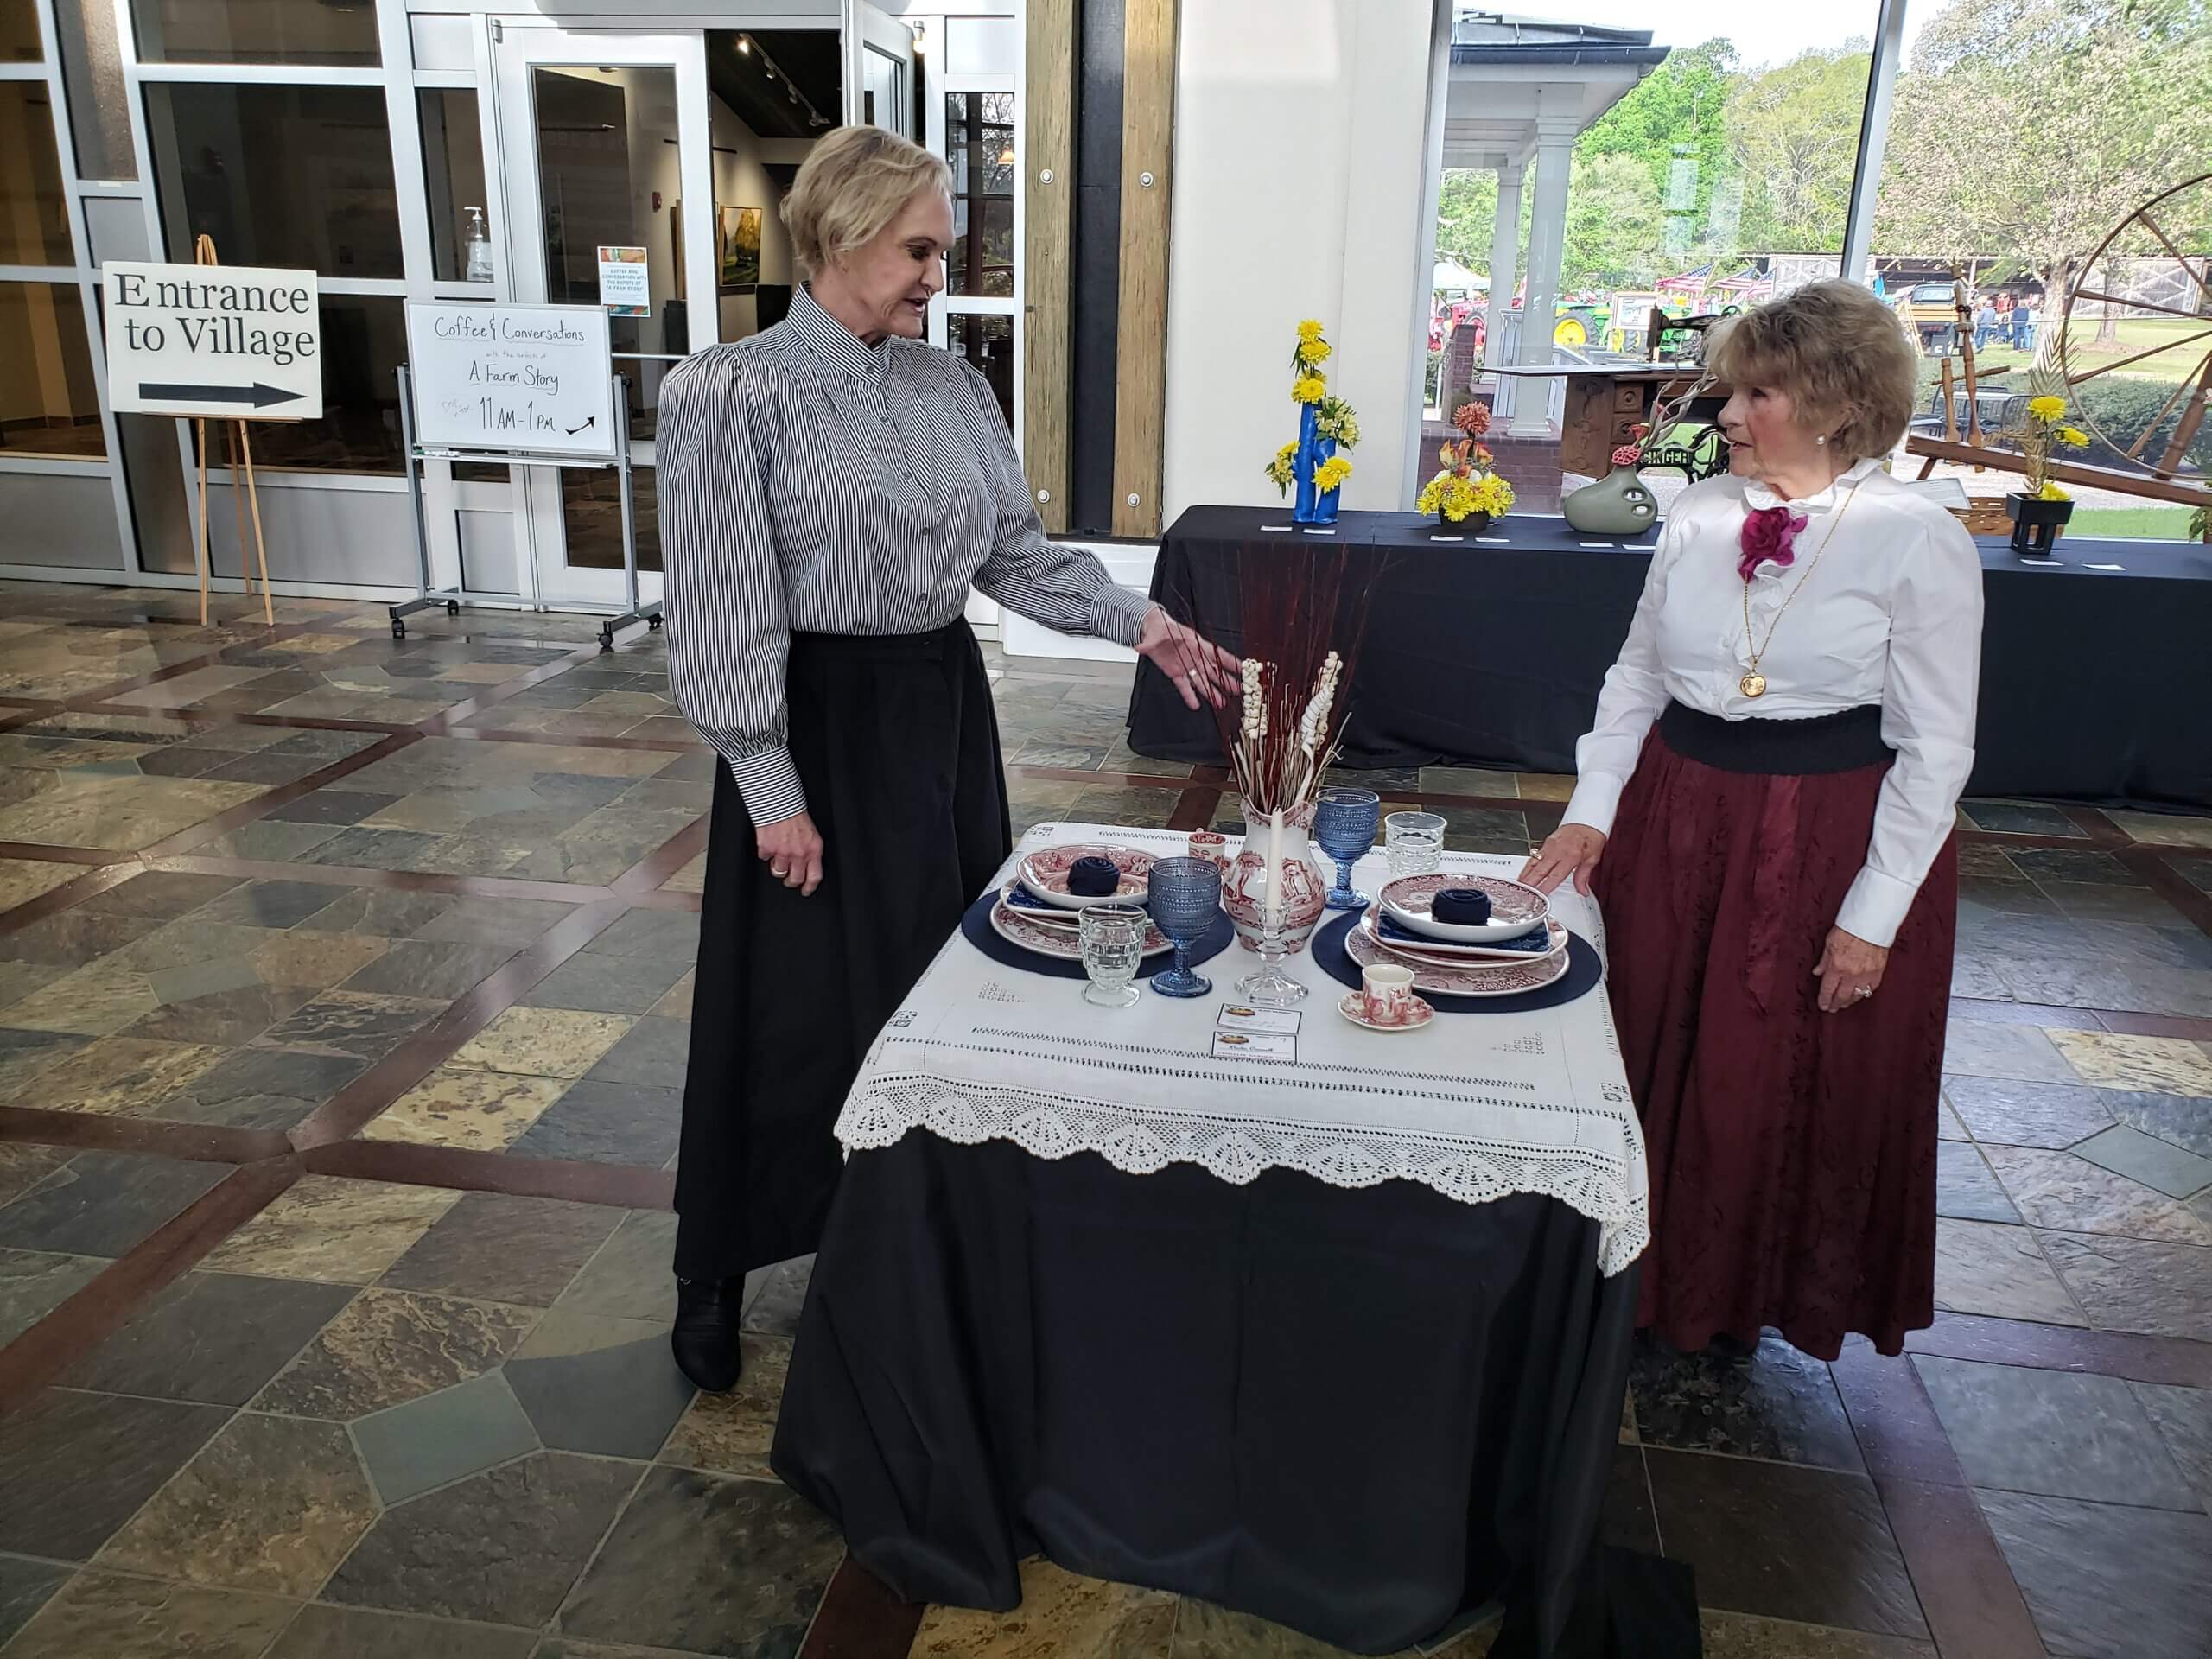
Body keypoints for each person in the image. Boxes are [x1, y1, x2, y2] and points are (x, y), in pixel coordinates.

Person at [657, 126, 1238, 1391]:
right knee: (793, 1007)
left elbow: (1016, 557)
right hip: (806, 716)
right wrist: (768, 783)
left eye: (943, 252)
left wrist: (1145, 622)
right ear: (840, 234)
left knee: (941, 986)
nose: (937, 275)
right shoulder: (727, 391)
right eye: (920, 249)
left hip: (937, 710)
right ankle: (719, 1265)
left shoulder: (953, 389)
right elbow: (716, 602)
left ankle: (918, 1234)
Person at [1522, 277, 1983, 1361]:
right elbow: (1635, 677)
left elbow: (1936, 749)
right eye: (1732, 391)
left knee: (1775, 1074)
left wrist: (1871, 918)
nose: (1726, 414)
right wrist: (1594, 814)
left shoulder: (1917, 538)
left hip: (1824, 837)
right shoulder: (1696, 513)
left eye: (1757, 393)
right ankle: (1643, 1282)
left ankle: (1745, 1299)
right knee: (1658, 1044)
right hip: (1680, 816)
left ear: (1833, 402)